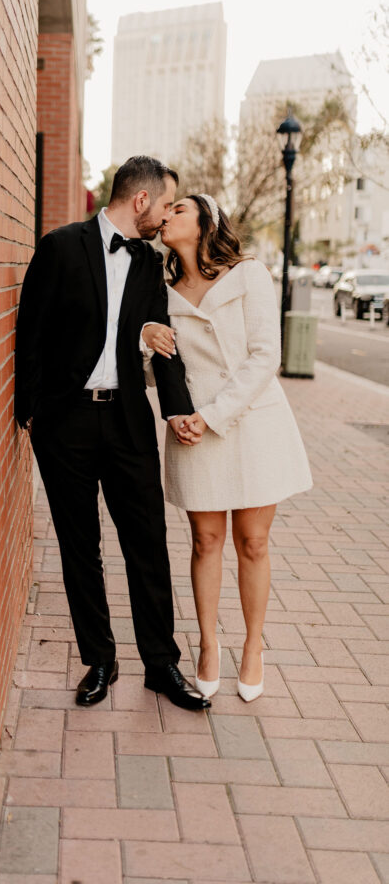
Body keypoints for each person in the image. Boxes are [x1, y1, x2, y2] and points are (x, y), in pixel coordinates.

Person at [15, 155, 210, 711]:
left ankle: (162, 664)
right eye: (167, 203)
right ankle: (99, 660)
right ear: (141, 200)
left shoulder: (151, 264)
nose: (168, 215)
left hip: (127, 422)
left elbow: (161, 339)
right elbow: (31, 329)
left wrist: (176, 410)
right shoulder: (60, 247)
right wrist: (28, 411)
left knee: (147, 543)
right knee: (81, 548)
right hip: (65, 424)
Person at [142, 193, 312, 702]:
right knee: (205, 542)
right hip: (194, 433)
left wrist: (212, 415)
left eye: (178, 209)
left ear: (206, 222)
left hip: (251, 426)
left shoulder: (250, 275)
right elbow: (159, 372)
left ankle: (253, 645)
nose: (166, 215)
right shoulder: (162, 291)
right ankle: (210, 645)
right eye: (164, 211)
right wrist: (146, 345)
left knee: (253, 543)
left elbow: (265, 357)